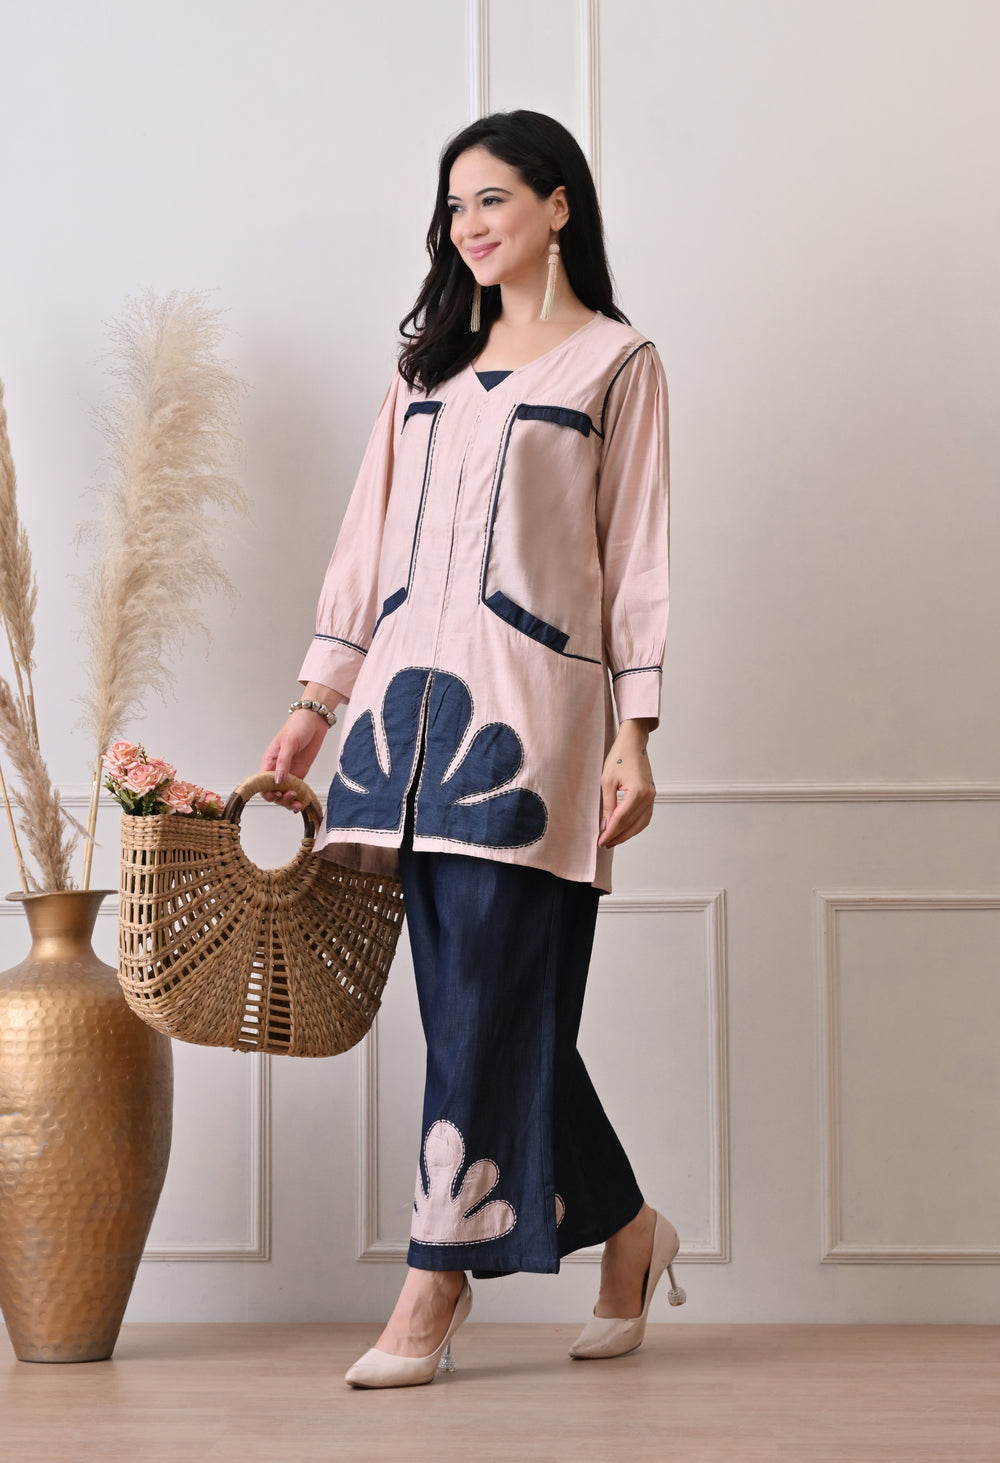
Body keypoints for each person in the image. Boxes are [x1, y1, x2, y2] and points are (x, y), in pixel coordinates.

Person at [261, 110, 682, 1389]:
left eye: (492, 199)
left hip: (531, 724)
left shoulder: (616, 364)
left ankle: (433, 1281)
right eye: (454, 207)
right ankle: (628, 1228)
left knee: (489, 1001)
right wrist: (316, 703)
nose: (469, 226)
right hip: (401, 726)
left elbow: (635, 558)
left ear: (558, 205)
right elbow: (365, 539)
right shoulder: (426, 368)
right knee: (482, 1010)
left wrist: (636, 733)